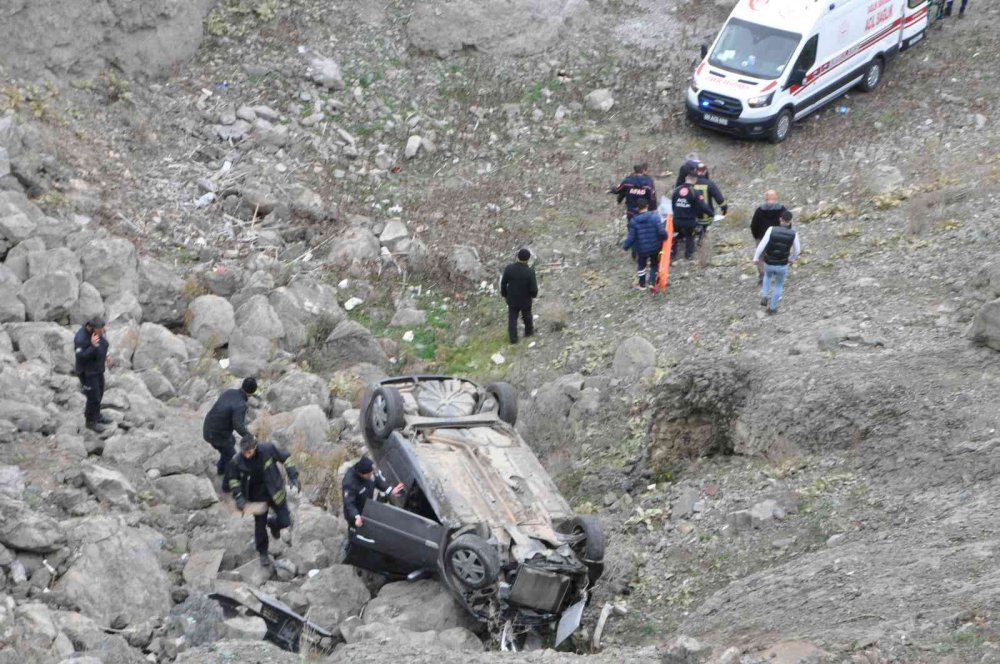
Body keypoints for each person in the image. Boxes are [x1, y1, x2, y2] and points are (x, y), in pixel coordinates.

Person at [226, 436, 300, 567]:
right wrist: (239, 496)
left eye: (249, 452)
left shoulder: (268, 449)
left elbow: (286, 458)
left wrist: (293, 476)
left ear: (255, 447)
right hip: (257, 498)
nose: (247, 455)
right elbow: (233, 480)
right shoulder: (237, 461)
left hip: (275, 491)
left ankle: (273, 524)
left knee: (285, 521)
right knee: (260, 526)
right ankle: (263, 553)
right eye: (244, 452)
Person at [203, 377, 258, 479]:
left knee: (231, 442)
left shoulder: (229, 392)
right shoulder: (241, 405)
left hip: (208, 427)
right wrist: (250, 436)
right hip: (216, 435)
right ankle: (228, 481)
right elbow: (238, 425)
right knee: (232, 457)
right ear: (251, 393)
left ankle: (221, 470)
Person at [753, 210, 800, 315]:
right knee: (779, 284)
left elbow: (761, 245)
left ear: (780, 219)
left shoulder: (771, 229)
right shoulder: (794, 234)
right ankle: (772, 308)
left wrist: (756, 258)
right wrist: (791, 259)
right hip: (782, 264)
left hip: (769, 262)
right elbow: (797, 251)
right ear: (790, 221)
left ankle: (765, 295)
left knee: (767, 276)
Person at [342, 456, 404, 529]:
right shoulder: (349, 483)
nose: (371, 475)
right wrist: (356, 516)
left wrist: (391, 490)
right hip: (356, 515)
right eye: (368, 475)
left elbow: (377, 481)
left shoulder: (369, 473)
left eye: (371, 473)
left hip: (367, 507)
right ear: (361, 474)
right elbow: (349, 504)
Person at [74, 316, 112, 433]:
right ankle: (90, 422)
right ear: (91, 328)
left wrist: (105, 355)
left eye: (103, 329)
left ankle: (97, 415)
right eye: (100, 330)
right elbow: (80, 356)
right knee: (93, 397)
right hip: (87, 372)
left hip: (97, 369)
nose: (102, 332)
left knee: (99, 393)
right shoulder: (80, 338)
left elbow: (102, 343)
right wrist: (92, 346)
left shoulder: (97, 332)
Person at [622, 199, 667, 292]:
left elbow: (631, 237)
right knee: (654, 264)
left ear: (637, 208)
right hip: (655, 247)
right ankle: (652, 283)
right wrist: (665, 237)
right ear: (647, 206)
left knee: (641, 265)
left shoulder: (634, 221)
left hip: (642, 249)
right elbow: (661, 231)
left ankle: (642, 285)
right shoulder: (655, 217)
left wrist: (625, 247)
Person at [671, 172, 715, 261]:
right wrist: (711, 213)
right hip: (689, 220)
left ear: (686, 178)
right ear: (695, 180)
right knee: (690, 236)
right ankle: (688, 254)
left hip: (676, 219)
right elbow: (702, 206)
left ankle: (673, 255)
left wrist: (676, 213)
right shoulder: (695, 191)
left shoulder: (677, 190)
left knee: (674, 236)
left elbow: (673, 204)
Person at [500, 248, 539, 344]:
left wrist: (504, 294)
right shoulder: (530, 272)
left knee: (512, 319)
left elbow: (503, 283)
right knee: (527, 316)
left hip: (512, 299)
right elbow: (533, 288)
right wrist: (533, 295)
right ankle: (529, 333)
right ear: (528, 259)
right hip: (525, 299)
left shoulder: (509, 268)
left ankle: (513, 339)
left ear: (518, 257)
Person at [750, 190, 788, 284]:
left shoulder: (759, 210)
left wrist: (756, 236)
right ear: (776, 197)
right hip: (778, 237)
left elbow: (753, 225)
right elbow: (787, 222)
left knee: (761, 256)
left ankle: (763, 276)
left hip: (762, 237)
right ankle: (778, 274)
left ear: (766, 198)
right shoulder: (782, 209)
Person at [693, 162, 727, 242]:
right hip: (707, 216)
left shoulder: (691, 183)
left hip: (693, 217)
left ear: (695, 171)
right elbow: (719, 198)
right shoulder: (709, 184)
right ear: (705, 171)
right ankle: (702, 238)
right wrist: (724, 208)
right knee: (704, 230)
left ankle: (697, 236)